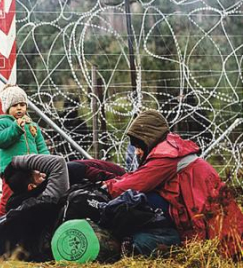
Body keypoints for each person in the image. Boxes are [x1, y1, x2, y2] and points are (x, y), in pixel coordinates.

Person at [102, 110, 243, 258]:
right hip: (205, 214)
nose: (137, 152)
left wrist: (105, 189)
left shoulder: (167, 156)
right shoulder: (171, 149)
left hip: (206, 221)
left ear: (149, 139)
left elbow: (136, 183)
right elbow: (137, 176)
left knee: (136, 201)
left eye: (139, 145)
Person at [0, 154, 69, 261]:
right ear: (32, 187)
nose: (44, 175)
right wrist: (15, 161)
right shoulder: (50, 197)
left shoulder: (18, 205)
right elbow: (58, 162)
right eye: (38, 176)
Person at [0, 84, 49, 219]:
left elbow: (41, 146)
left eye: (22, 104)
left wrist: (46, 163)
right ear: (7, 108)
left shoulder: (32, 126)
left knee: (30, 197)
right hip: (12, 172)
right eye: (15, 105)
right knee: (8, 199)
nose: (19, 108)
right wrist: (16, 128)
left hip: (31, 170)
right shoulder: (3, 123)